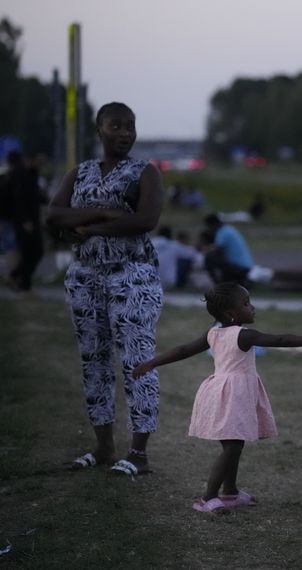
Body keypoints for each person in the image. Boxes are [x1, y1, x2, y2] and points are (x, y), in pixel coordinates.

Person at [132, 282, 302, 512]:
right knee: (232, 447)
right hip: (231, 396)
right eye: (246, 303)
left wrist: (152, 362)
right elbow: (279, 340)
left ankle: (230, 492)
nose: (252, 307)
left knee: (234, 445)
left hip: (225, 393)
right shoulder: (243, 335)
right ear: (231, 314)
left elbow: (183, 350)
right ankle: (207, 498)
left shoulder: (214, 332)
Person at [46, 102, 165, 476]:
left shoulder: (145, 173)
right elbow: (54, 215)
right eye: (116, 126)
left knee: (137, 364)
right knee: (93, 362)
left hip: (132, 277)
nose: (126, 133)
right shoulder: (79, 173)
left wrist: (90, 226)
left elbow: (145, 220)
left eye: (131, 126)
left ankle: (140, 455)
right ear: (99, 130)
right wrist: (110, 214)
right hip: (86, 277)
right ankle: (103, 447)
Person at [6, 151, 45, 292]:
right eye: (39, 161)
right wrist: (25, 220)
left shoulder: (33, 175)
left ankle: (20, 280)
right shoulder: (22, 175)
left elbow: (35, 198)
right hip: (24, 222)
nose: (41, 164)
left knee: (34, 252)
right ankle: (21, 281)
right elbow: (19, 200)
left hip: (32, 221)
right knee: (31, 252)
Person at [202, 213, 254, 286]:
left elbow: (218, 250)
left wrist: (205, 250)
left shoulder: (222, 232)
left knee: (209, 258)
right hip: (245, 266)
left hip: (238, 268)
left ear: (212, 225)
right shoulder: (229, 229)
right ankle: (231, 280)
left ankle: (216, 283)